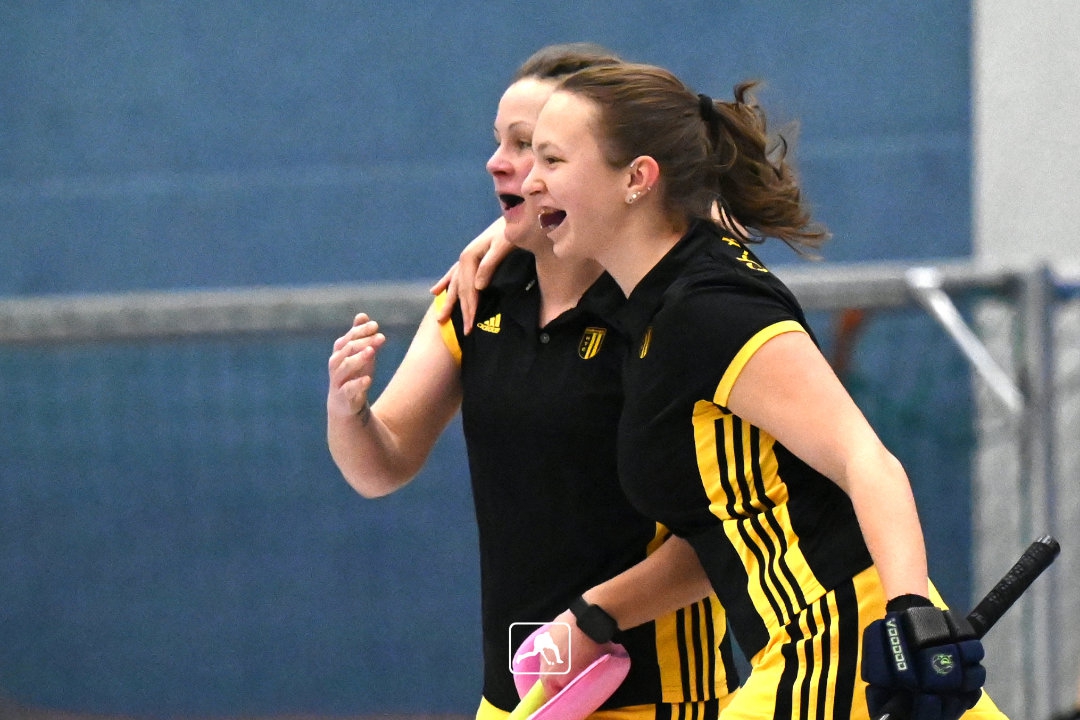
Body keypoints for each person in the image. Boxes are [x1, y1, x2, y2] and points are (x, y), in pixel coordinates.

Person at [520, 62, 1007, 720]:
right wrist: (597, 613)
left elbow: (865, 460)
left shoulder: (711, 307)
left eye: (551, 158)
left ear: (637, 178)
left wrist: (909, 618)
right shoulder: (651, 311)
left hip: (837, 648)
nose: (529, 179)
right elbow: (728, 532)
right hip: (813, 646)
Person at [327, 44, 739, 720]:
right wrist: (349, 415)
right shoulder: (477, 291)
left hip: (657, 694)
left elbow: (723, 535)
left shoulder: (665, 304)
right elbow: (382, 463)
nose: (498, 162)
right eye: (502, 142)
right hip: (518, 695)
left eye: (535, 148)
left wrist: (593, 617)